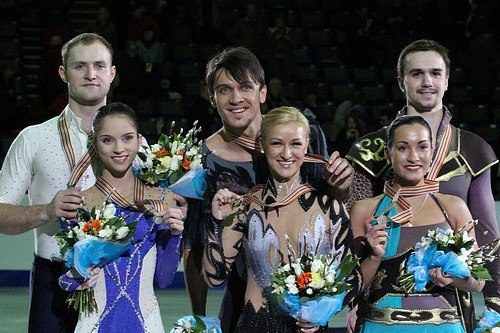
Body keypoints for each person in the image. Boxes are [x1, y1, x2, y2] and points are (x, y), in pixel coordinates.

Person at [183, 46, 354, 333]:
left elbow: (329, 213)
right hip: (245, 302)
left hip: (306, 305)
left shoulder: (304, 133)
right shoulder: (202, 161)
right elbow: (193, 243)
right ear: (211, 97)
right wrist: (198, 316)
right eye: (224, 90)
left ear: (262, 92)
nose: (236, 98)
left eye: (245, 87)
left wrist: (344, 188)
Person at [346, 39, 499, 316]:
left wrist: (495, 306)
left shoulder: (475, 149)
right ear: (401, 81)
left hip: (451, 303)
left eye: (435, 73)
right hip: (379, 306)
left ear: (447, 81)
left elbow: (488, 238)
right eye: (416, 73)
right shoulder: (368, 151)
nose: (427, 81)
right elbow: (355, 242)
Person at [203, 106, 362, 332]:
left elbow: (352, 278)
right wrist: (216, 224)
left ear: (307, 145)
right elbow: (214, 278)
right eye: (277, 143)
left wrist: (322, 311)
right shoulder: (245, 206)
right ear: (262, 144)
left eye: (295, 144)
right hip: (254, 325)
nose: (287, 154)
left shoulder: (329, 208)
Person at [0, 33, 116, 332]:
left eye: (99, 65)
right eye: (80, 66)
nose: (91, 74)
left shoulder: (134, 145)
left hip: (116, 277)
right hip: (52, 281)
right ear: (64, 72)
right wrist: (46, 212)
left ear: (111, 72)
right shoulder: (33, 139)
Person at [58, 102, 186, 332]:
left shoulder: (163, 199)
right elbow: (66, 280)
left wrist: (176, 235)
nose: (119, 148)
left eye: (127, 138)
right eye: (107, 140)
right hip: (92, 325)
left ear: (139, 140)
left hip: (146, 324)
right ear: (94, 144)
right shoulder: (78, 203)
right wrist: (76, 277)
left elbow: (164, 280)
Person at [350, 115, 485, 333]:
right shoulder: (365, 210)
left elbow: (478, 282)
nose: (414, 157)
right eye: (403, 148)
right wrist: (374, 257)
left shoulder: (453, 207)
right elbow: (351, 287)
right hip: (382, 327)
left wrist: (452, 278)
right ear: (387, 153)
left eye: (422, 147)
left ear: (432, 152)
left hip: (445, 328)